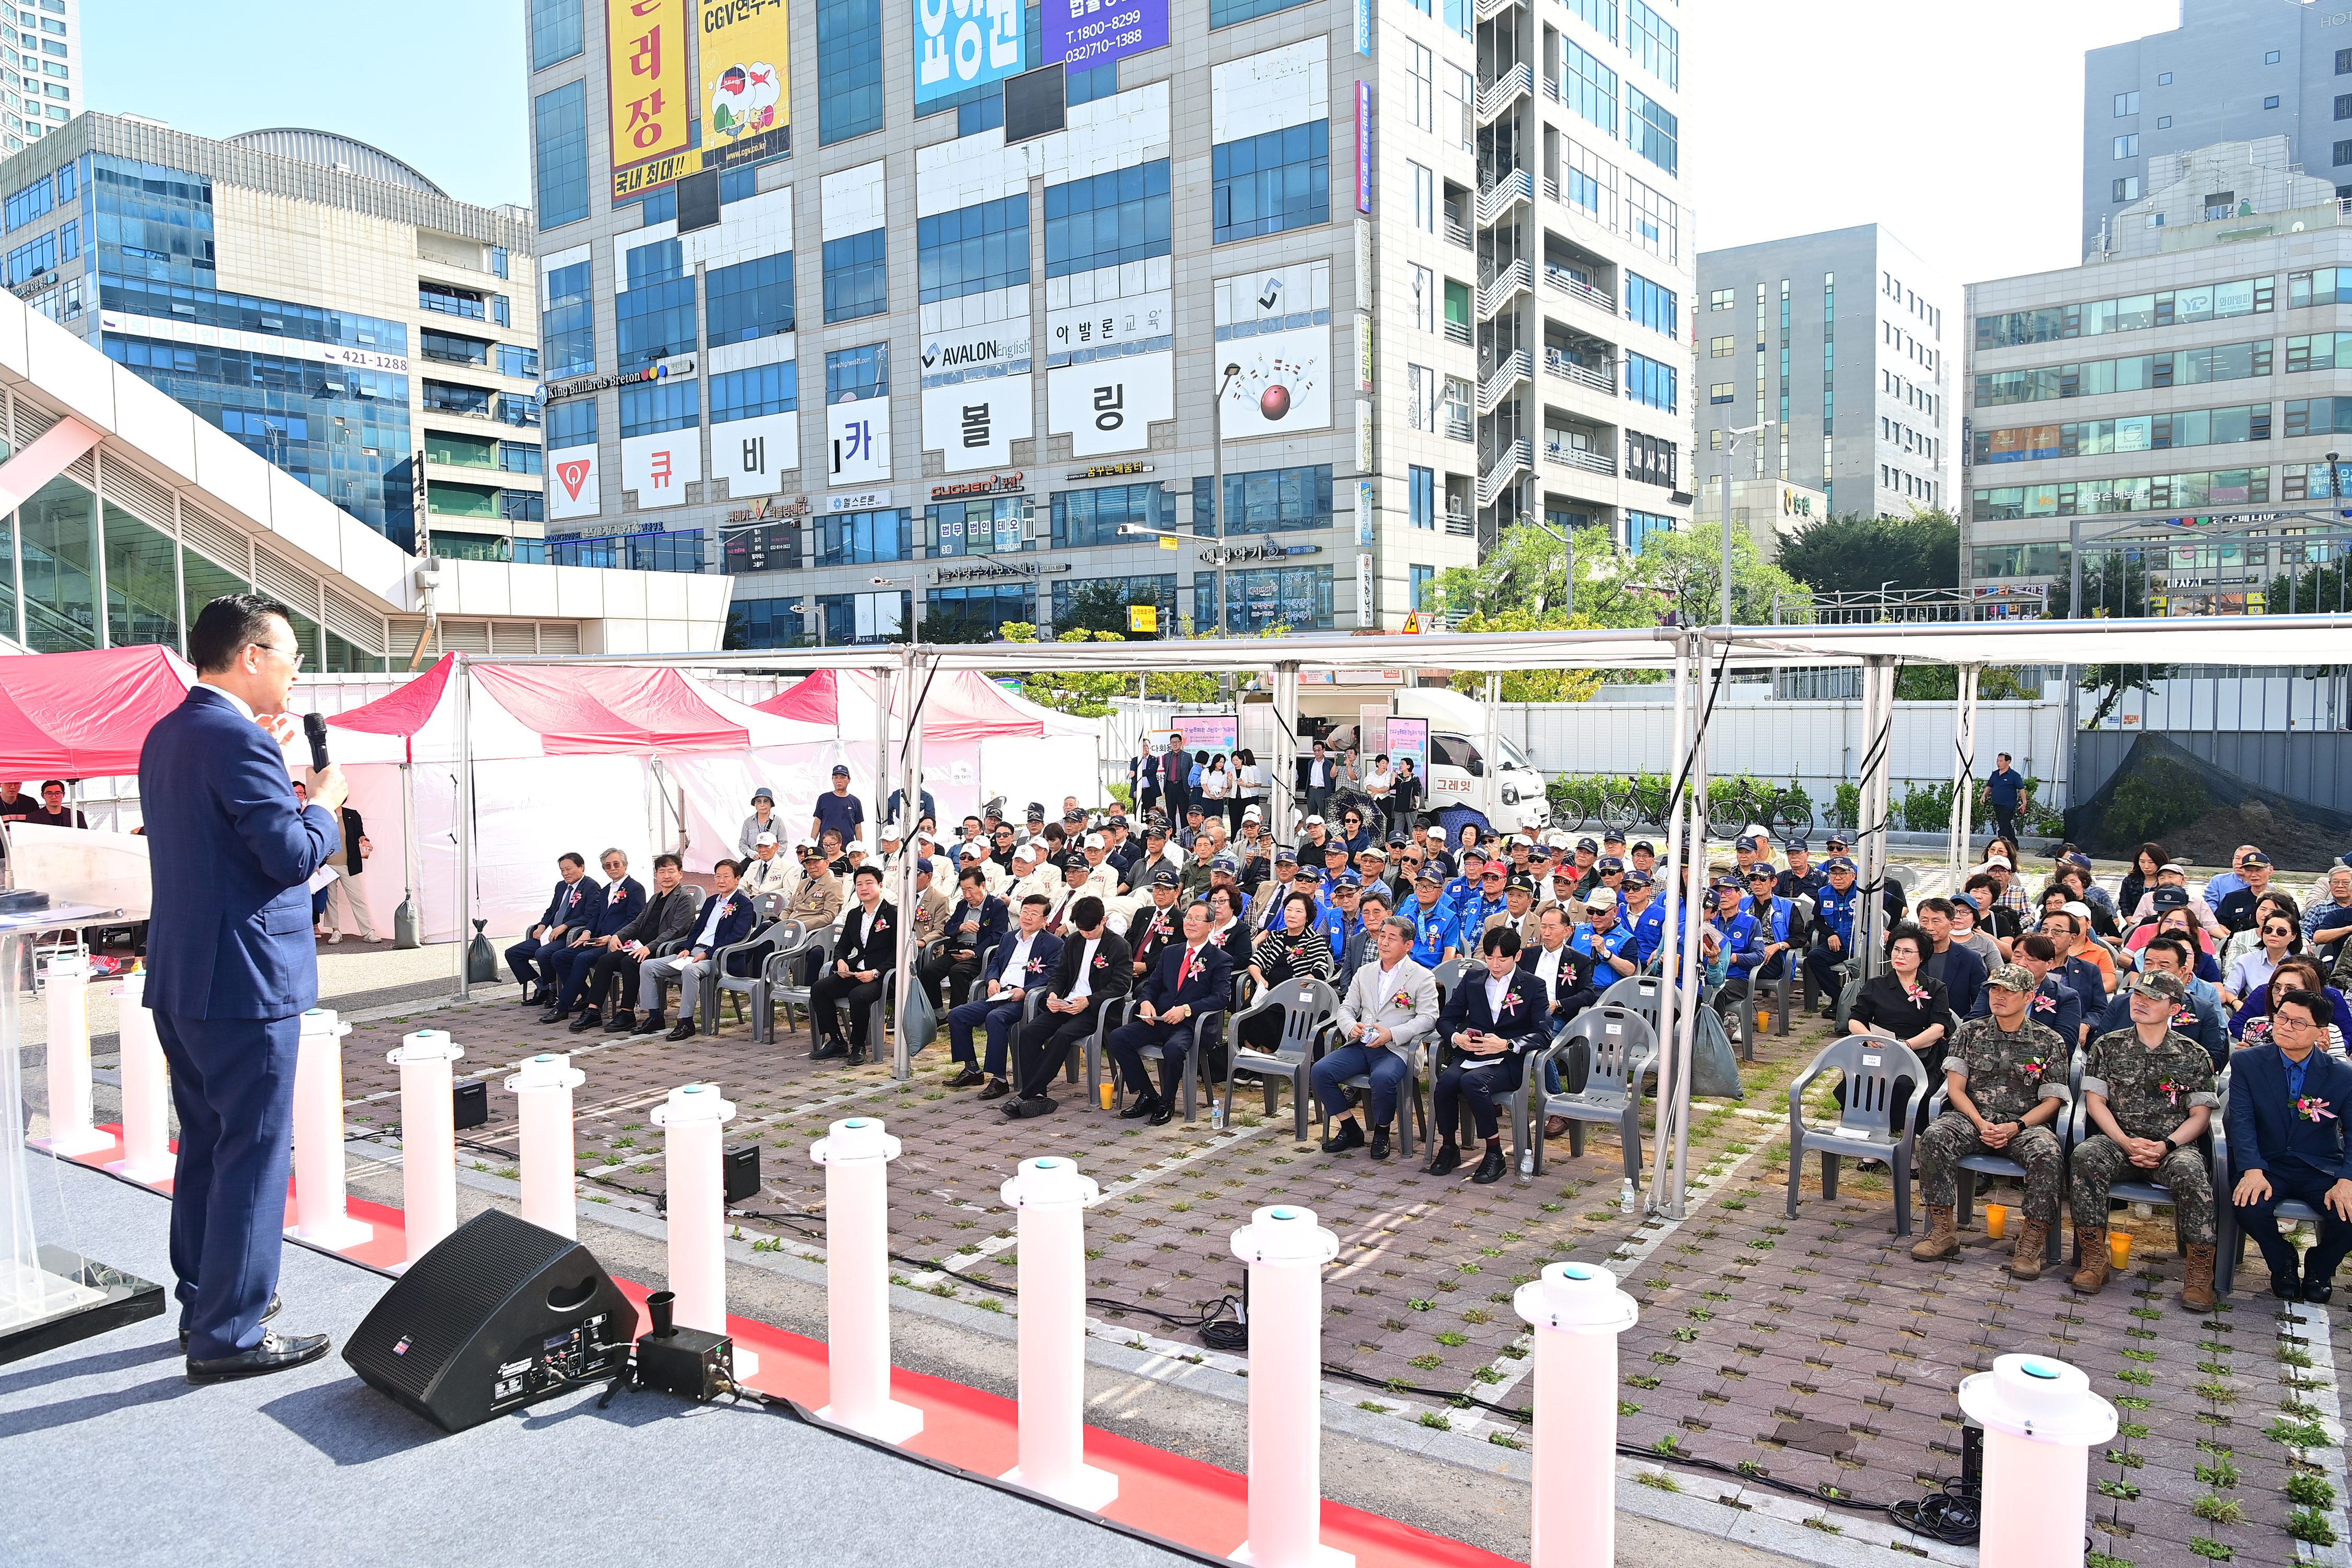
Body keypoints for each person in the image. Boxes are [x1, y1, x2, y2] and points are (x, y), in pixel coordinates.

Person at [139, 592, 345, 1381]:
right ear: (251, 656)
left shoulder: (170, 733)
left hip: (186, 976)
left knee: (206, 1143)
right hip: (247, 982)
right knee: (253, 1154)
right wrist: (323, 805)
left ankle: (205, 1296)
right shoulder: (240, 744)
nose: (297, 673)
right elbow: (290, 856)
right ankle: (229, 1330)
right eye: (291, 656)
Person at [1909, 963, 2072, 1276]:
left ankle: (2031, 1241)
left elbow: (2053, 1101)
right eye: (1995, 989)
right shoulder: (1970, 1033)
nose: (1999, 996)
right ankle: (1943, 1229)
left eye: (2008, 991)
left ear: (2029, 996)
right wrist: (1980, 1122)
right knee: (1934, 1136)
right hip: (1974, 1118)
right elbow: (1955, 1090)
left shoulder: (2048, 1041)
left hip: (2025, 1125)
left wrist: (2017, 1126)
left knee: (2049, 1154)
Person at [2070, 969, 2218, 1307]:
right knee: (2086, 1156)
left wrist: (2166, 1146)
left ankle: (2199, 1272)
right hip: (2119, 1141)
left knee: (2193, 1173)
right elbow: (2096, 1103)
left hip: (2172, 1145)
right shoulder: (2108, 1046)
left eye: (2153, 999)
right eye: (2137, 996)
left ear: (2175, 1009)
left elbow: (2201, 1115)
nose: (2141, 1003)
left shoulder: (2194, 1055)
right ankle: (2095, 1258)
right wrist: (2125, 1142)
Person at [2227, 987, 2352, 1304]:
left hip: (2319, 1164)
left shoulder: (2342, 1075)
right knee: (2249, 1206)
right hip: (2268, 1162)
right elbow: (2241, 1121)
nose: (2285, 1026)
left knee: (2350, 1212)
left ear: (2321, 1032)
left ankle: (2320, 1267)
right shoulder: (2247, 1063)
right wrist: (2252, 1169)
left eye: (2298, 1023)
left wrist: (2346, 1179)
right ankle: (2282, 1262)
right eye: (2282, 1017)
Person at [1426, 928, 1550, 1184]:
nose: (1495, 965)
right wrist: (1456, 1038)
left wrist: (1507, 1045)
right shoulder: (1473, 979)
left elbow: (1544, 1033)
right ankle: (1449, 1146)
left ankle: (1495, 1152)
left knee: (1473, 1082)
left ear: (1517, 957)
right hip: (1474, 1052)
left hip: (1509, 1059)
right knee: (1446, 1082)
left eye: (1502, 960)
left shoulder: (1534, 985)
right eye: (1490, 959)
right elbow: (1447, 1018)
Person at [1311, 914, 1440, 1159]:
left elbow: (1429, 1018)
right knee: (1320, 1071)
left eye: (1392, 938)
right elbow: (1346, 1008)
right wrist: (1351, 1028)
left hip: (1396, 1048)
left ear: (1408, 945)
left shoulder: (1422, 976)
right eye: (1382, 936)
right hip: (1362, 1044)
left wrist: (1392, 1034)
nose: (1384, 942)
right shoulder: (1365, 972)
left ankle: (1382, 1132)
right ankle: (1350, 1128)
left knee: (1382, 1079)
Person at [1104, 900, 1234, 1125]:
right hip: (1161, 1019)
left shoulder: (1220, 959)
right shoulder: (1171, 952)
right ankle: (1147, 1094)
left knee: (1174, 1049)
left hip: (1191, 1024)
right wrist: (1145, 1002)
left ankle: (1167, 1101)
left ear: (1210, 925)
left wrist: (1186, 1010)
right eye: (1188, 918)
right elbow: (1152, 985)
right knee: (1118, 1037)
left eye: (1197, 919)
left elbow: (1221, 997)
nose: (1191, 923)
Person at [1006, 895, 1133, 1116]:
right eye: (1082, 930)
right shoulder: (1074, 940)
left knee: (1063, 1035)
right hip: (1068, 1002)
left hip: (1096, 1010)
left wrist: (1089, 1001)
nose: (1085, 934)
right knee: (1029, 1032)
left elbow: (1121, 985)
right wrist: (1053, 994)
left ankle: (1027, 1094)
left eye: (1090, 931)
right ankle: (1037, 1096)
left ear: (1103, 921)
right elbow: (1060, 973)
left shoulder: (1118, 946)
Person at [947, 893, 1062, 1096]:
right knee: (957, 1014)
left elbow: (1053, 975)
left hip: (1024, 1000)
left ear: (1045, 920)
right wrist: (991, 980)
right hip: (999, 993)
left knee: (995, 1018)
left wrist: (1025, 991)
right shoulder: (1009, 937)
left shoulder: (1054, 944)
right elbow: (995, 964)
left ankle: (999, 1079)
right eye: (1025, 911)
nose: (1027, 917)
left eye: (1034, 914)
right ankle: (972, 1069)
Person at [574, 854, 698, 1034]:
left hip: (661, 949)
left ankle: (627, 1013)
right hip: (640, 947)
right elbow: (637, 923)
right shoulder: (656, 898)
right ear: (656, 875)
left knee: (629, 963)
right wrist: (618, 935)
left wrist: (649, 948)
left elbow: (677, 930)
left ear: (681, 874)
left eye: (671, 871)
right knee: (606, 960)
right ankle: (593, 1010)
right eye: (662, 872)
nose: (667, 876)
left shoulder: (685, 899)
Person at [1847, 924, 1950, 1136]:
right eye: (1896, 949)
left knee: (1905, 1084)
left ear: (1922, 957)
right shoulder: (1877, 984)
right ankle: (1875, 1136)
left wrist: (1907, 1046)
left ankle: (1908, 1145)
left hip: (1920, 1051)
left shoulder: (1935, 987)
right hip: (1880, 1048)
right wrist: (1868, 1037)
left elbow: (1939, 1028)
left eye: (1907, 951)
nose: (1899, 956)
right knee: (1866, 1080)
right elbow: (1855, 1020)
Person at [634, 860, 753, 1039]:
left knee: (690, 970)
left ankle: (686, 1022)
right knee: (648, 966)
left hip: (720, 958)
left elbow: (736, 935)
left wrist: (708, 953)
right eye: (718, 876)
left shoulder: (744, 904)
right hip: (695, 952)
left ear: (737, 879)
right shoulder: (712, 901)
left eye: (727, 877)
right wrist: (686, 948)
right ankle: (655, 1017)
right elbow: (697, 929)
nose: (721, 880)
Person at [2093, 932, 2230, 1068]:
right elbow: (2097, 1048)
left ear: (2182, 971)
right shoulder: (2120, 1004)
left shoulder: (2202, 1010)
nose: (2155, 970)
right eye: (2149, 964)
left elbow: (2214, 1059)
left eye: (2164, 965)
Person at [539, 849, 645, 1023]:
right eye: (607, 866)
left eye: (616, 864)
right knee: (560, 957)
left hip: (619, 941)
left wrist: (612, 936)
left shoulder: (635, 889)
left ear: (625, 865)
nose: (612, 868)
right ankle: (585, 995)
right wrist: (587, 932)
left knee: (583, 958)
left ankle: (563, 1006)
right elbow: (596, 916)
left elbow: (634, 920)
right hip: (597, 938)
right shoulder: (605, 891)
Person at [811, 864, 897, 1064]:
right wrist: (841, 962)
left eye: (869, 883)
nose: (864, 888)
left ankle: (858, 1046)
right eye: (859, 884)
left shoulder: (893, 913)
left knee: (858, 996)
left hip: (884, 975)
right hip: (857, 971)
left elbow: (899, 951)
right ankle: (837, 1041)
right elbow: (843, 946)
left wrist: (876, 972)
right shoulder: (854, 915)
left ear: (880, 886)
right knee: (819, 989)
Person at [1239, 891, 1335, 1052]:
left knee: (1268, 1013)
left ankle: (1264, 1057)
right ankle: (1251, 1056)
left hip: (1297, 995)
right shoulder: (1276, 936)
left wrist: (1295, 987)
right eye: (1289, 910)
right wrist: (1260, 980)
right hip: (1269, 991)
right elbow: (1254, 963)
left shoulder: (1314, 939)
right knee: (1250, 1009)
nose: (1292, 915)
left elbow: (1320, 970)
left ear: (1307, 917)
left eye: (1299, 911)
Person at [508, 853, 604, 1005]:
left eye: (569, 869)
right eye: (562, 870)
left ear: (582, 867)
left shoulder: (591, 887)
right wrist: (542, 926)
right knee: (513, 954)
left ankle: (555, 990)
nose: (565, 873)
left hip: (570, 935)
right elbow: (552, 910)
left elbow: (591, 915)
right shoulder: (561, 886)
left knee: (543, 954)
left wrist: (566, 926)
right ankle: (543, 986)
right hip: (550, 934)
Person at [925, 867, 1007, 1011]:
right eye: (963, 891)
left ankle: (957, 1014)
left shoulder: (996, 906)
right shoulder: (963, 905)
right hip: (958, 948)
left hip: (980, 953)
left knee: (958, 972)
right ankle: (937, 1012)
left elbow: (998, 936)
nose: (967, 895)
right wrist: (961, 927)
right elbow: (948, 928)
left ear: (983, 886)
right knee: (929, 971)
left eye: (970, 890)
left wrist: (975, 953)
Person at [2239, 955, 2352, 1054]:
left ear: (2310, 992)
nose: (2281, 993)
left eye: (2291, 989)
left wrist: (2321, 1055)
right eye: (2277, 987)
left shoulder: (2329, 1033)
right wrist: (2246, 1058)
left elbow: (2340, 1077)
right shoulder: (2255, 1025)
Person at [1914, 897, 1988, 1020]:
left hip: (1955, 1030)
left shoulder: (1970, 959)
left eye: (1936, 921)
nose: (1930, 927)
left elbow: (1981, 1002)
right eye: (1924, 921)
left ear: (1951, 925)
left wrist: (1963, 1027)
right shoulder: (1912, 955)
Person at [1805, 855, 1861, 1013]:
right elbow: (1818, 921)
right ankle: (1839, 998)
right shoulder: (1824, 893)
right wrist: (1830, 934)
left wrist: (1888, 929)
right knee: (1814, 957)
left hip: (1861, 944)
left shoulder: (1864, 891)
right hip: (1838, 945)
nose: (1838, 878)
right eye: (1834, 874)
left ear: (1853, 875)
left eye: (1843, 873)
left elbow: (1896, 905)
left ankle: (1862, 1002)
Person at [2224, 906, 2304, 1014]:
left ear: (2293, 936)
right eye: (2268, 930)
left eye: (2281, 931)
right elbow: (2229, 991)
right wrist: (2237, 1003)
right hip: (2256, 1013)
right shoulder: (2245, 960)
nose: (2274, 934)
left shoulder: (2301, 964)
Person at [1404, 866, 1461, 967]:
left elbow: (1450, 952)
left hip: (1432, 971)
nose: (1424, 891)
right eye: (1420, 886)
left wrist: (1441, 978)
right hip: (1404, 968)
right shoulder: (1405, 912)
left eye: (1430, 887)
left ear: (1440, 892)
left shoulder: (1450, 918)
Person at [2304, 864, 2352, 969]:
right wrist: (2304, 939)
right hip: (2325, 954)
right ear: (2330, 884)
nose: (2340, 886)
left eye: (2345, 883)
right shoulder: (2321, 908)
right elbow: (2305, 930)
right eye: (2335, 882)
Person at [1978, 752, 2029, 846]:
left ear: (2008, 762)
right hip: (1997, 803)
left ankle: (2000, 843)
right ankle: (2014, 844)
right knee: (2005, 824)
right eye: (1998, 761)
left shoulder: (2014, 775)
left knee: (2004, 823)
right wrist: (1984, 795)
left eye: (2001, 761)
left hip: (2009, 804)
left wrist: (2024, 802)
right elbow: (1990, 786)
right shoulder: (1995, 774)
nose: (1998, 763)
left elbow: (2021, 789)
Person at [811, 764, 864, 849]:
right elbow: (817, 823)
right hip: (826, 847)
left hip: (847, 848)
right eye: (836, 777)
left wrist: (860, 848)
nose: (839, 781)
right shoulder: (824, 799)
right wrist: (811, 844)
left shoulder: (855, 802)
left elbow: (858, 827)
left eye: (843, 777)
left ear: (849, 780)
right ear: (833, 780)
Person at [2118, 842, 2167, 924]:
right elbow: (2125, 905)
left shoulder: (2167, 883)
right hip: (2134, 924)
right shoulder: (2130, 881)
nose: (2146, 866)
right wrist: (2133, 923)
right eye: (2142, 862)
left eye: (2151, 862)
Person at [737, 833, 792, 900]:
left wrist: (766, 896)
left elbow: (788, 891)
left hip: (773, 905)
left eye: (767, 846)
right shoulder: (753, 865)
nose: (763, 850)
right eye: (760, 847)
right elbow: (741, 885)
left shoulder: (788, 866)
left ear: (776, 847)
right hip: (751, 903)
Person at [22, 778, 87, 829]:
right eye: (49, 794)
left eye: (58, 793)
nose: (54, 797)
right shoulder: (33, 817)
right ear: (43, 796)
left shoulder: (76, 815)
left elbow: (85, 837)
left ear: (63, 795)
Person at [738, 786, 781, 860]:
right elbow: (742, 843)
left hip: (772, 861)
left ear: (771, 804)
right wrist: (750, 853)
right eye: (759, 802)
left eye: (766, 801)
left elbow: (783, 843)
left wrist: (772, 857)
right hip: (752, 860)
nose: (762, 805)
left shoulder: (778, 821)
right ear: (755, 804)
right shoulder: (748, 822)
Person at [1300, 738, 1334, 821]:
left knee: (1324, 815)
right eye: (1315, 750)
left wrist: (1328, 791)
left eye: (1319, 750)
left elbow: (1332, 780)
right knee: (1311, 815)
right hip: (1312, 790)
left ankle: (1324, 833)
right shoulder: (1311, 763)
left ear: (1324, 750)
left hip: (1323, 791)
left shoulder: (1329, 764)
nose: (1317, 752)